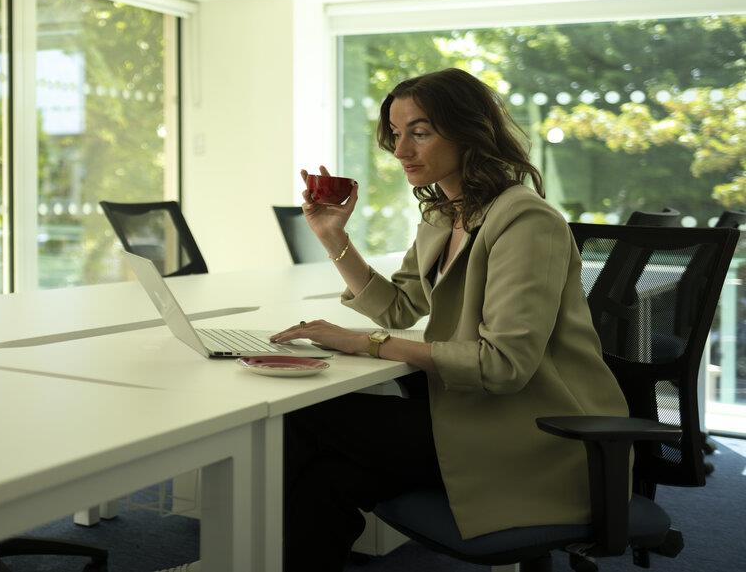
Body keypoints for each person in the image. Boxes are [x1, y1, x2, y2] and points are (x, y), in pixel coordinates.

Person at [268, 67, 629, 571]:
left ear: (470, 131)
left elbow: (503, 365)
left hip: (536, 432)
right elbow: (398, 308)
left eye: (420, 132)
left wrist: (366, 343)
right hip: (467, 412)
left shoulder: (526, 221)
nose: (401, 151)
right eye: (396, 134)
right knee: (322, 478)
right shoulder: (444, 216)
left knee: (303, 423)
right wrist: (332, 237)